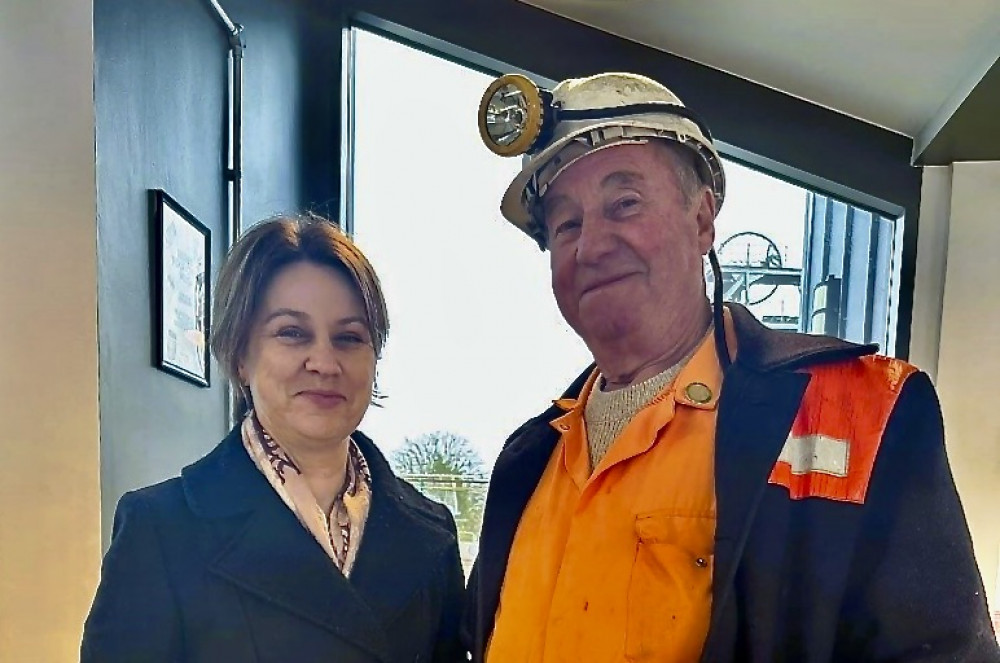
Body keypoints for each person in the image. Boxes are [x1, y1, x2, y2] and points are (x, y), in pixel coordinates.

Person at [465, 72, 1000, 661]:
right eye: (567, 224)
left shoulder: (861, 412)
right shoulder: (527, 462)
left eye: (624, 203)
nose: (590, 246)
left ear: (702, 219)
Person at [83, 215, 465, 663]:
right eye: (292, 333)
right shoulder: (160, 530)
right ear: (241, 355)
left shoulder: (431, 533)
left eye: (349, 337)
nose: (324, 361)